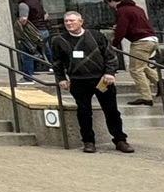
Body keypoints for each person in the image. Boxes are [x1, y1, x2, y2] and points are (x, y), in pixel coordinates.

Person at [44, 10, 133, 155]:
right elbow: (57, 63)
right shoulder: (59, 41)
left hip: (102, 80)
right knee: (84, 112)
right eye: (66, 21)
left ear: (81, 22)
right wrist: (61, 79)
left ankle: (120, 140)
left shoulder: (96, 36)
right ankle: (88, 141)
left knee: (111, 110)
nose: (69, 23)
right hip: (78, 81)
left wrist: (110, 72)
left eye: (72, 20)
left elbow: (110, 55)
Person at [107, 0, 160, 105]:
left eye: (109, 3)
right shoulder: (137, 8)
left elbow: (122, 29)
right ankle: (161, 83)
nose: (110, 6)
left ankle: (146, 97)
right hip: (152, 39)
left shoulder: (122, 10)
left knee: (135, 70)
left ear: (112, 1)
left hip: (140, 42)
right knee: (140, 65)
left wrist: (114, 43)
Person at [15, 0, 47, 81]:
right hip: (43, 30)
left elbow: (23, 19)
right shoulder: (38, 2)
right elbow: (46, 15)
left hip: (31, 32)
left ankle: (28, 77)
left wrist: (20, 26)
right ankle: (57, 70)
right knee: (46, 51)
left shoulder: (23, 4)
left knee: (27, 53)